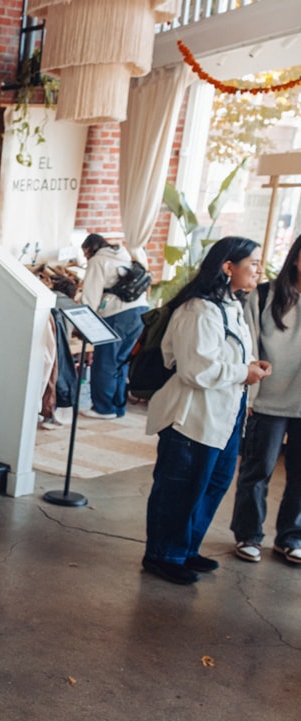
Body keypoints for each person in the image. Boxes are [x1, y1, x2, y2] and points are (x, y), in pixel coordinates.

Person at [141, 236, 271, 585]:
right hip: (191, 417)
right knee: (180, 488)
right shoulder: (198, 309)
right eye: (253, 263)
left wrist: (249, 366)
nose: (259, 268)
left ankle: (185, 549)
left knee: (211, 484)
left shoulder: (231, 306)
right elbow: (195, 369)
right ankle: (162, 556)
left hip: (223, 416)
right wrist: (245, 372)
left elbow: (225, 359)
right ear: (228, 267)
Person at [230, 233, 301, 564]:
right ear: (297, 259)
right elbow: (250, 345)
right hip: (268, 399)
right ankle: (249, 535)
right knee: (258, 469)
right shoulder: (263, 295)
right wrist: (251, 396)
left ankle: (291, 536)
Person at [79, 234, 151, 419]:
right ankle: (118, 407)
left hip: (116, 314)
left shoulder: (98, 261)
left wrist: (84, 323)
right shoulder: (125, 255)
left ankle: (103, 408)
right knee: (121, 362)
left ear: (88, 249)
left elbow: (91, 295)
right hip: (141, 311)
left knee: (105, 361)